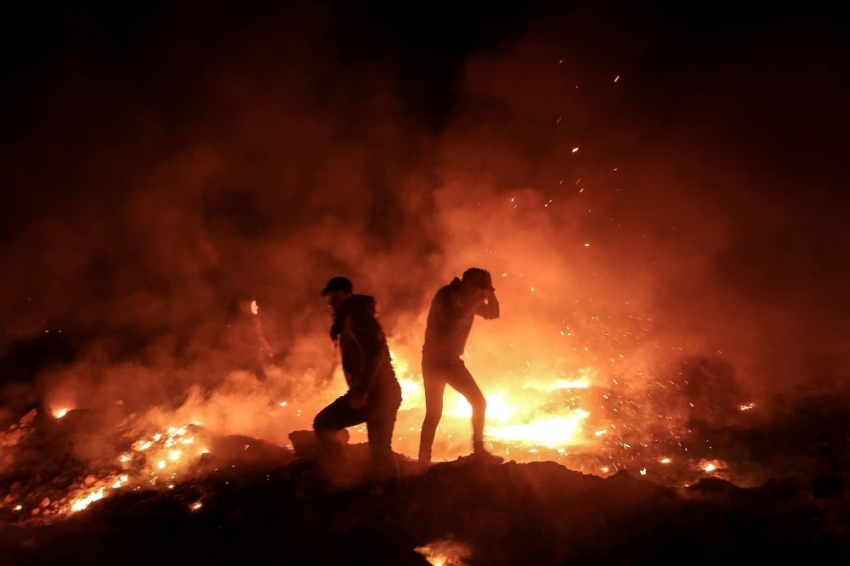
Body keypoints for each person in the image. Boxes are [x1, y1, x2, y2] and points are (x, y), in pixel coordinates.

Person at [312, 276, 402, 488]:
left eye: (336, 297)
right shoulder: (353, 314)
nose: (332, 302)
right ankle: (394, 508)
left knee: (323, 423)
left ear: (348, 294)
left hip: (376, 395)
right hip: (387, 394)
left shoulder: (355, 315)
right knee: (381, 449)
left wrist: (361, 389)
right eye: (329, 299)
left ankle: (345, 476)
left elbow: (374, 352)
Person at [418, 267, 504, 466]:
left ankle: (479, 451)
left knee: (478, 403)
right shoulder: (447, 295)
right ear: (468, 284)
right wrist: (476, 301)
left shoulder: (469, 299)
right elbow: (453, 318)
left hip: (451, 362)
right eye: (478, 288)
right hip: (434, 362)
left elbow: (494, 313)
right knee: (434, 412)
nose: (478, 294)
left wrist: (490, 293)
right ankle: (423, 460)